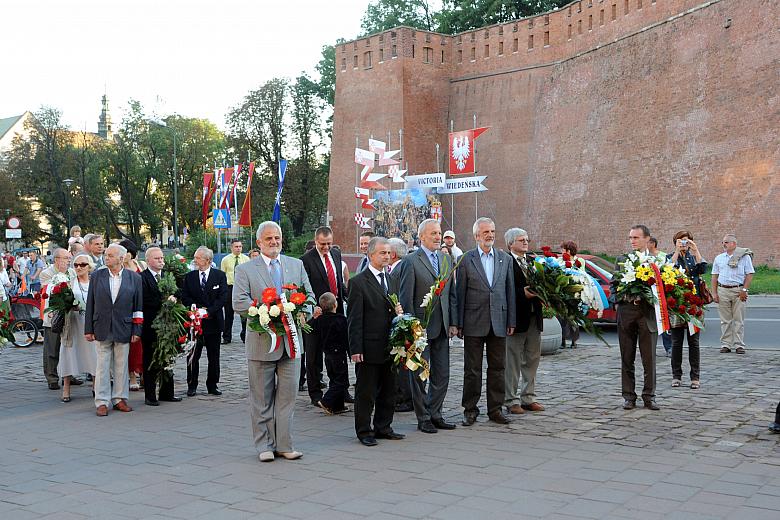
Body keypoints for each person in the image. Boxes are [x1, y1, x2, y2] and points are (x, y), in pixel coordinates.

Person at [233, 221, 315, 462]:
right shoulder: (246, 270)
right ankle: (264, 445)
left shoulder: (296, 265)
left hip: (291, 344)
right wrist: (263, 312)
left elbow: (309, 297)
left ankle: (285, 445)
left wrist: (304, 311)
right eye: (269, 239)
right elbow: (239, 302)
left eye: (277, 238)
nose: (274, 242)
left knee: (288, 397)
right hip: (261, 342)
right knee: (262, 398)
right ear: (259, 243)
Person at [398, 219, 458, 434]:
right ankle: (423, 417)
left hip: (442, 327)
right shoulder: (411, 261)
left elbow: (452, 294)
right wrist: (412, 328)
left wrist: (453, 322)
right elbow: (406, 298)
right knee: (419, 375)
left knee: (442, 374)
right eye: (433, 233)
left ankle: (435, 413)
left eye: (439, 232)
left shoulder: (445, 260)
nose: (437, 236)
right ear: (421, 236)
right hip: (421, 330)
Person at [455, 217, 516, 425]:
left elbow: (510, 292)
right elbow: (459, 293)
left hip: (499, 320)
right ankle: (470, 409)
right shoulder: (466, 259)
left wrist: (511, 320)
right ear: (476, 236)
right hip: (473, 321)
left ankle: (496, 409)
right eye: (485, 232)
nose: (490, 235)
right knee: (472, 369)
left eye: (492, 231)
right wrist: (459, 323)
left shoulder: (505, 259)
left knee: (498, 367)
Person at [347, 236, 406, 446]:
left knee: (389, 390)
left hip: (389, 346)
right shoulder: (358, 282)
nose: (387, 256)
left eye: (389, 253)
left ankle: (383, 426)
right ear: (371, 254)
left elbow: (392, 308)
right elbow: (354, 319)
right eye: (382, 253)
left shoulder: (391, 279)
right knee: (366, 392)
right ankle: (364, 431)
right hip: (368, 346)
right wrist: (355, 349)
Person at [85, 243, 144, 417]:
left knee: (121, 365)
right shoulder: (97, 276)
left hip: (124, 326)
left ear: (121, 258)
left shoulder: (134, 278)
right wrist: (88, 328)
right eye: (106, 254)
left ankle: (119, 399)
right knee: (102, 366)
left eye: (110, 255)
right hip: (102, 326)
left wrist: (137, 330)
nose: (106, 257)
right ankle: (102, 401)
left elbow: (138, 307)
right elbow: (91, 304)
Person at [300, 226, 348, 406]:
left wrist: (348, 295)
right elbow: (303, 287)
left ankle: (341, 390)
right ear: (315, 241)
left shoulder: (335, 254)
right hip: (316, 315)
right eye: (322, 244)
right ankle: (315, 393)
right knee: (313, 356)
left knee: (337, 353)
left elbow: (338, 280)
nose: (326, 247)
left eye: (329, 243)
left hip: (336, 313)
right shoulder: (306, 260)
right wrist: (311, 307)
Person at [613, 225, 659, 411]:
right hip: (627, 312)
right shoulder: (622, 260)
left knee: (649, 358)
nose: (632, 241)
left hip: (647, 313)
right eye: (631, 237)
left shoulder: (656, 260)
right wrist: (619, 299)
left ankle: (649, 396)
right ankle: (628, 396)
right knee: (627, 356)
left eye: (636, 238)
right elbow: (614, 283)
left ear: (647, 239)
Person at [504, 228, 545, 415]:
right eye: (521, 240)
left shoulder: (532, 261)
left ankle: (528, 397)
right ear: (511, 243)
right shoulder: (505, 262)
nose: (526, 242)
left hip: (533, 317)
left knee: (532, 358)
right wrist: (522, 294)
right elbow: (503, 290)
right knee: (512, 360)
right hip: (516, 318)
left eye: (527, 239)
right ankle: (511, 399)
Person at [181, 246, 227, 397]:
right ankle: (192, 384)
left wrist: (208, 311)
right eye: (195, 257)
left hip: (213, 321)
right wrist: (195, 309)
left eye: (198, 257)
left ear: (208, 260)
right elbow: (185, 295)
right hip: (195, 323)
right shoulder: (190, 277)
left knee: (214, 356)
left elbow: (222, 298)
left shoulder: (219, 276)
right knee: (193, 355)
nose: (195, 260)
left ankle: (212, 384)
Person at [140, 247, 182, 406]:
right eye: (157, 258)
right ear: (149, 260)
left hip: (168, 325)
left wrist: (174, 298)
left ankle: (167, 392)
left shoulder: (167, 276)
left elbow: (178, 292)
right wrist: (164, 302)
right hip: (151, 325)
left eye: (162, 258)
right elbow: (144, 299)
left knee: (168, 357)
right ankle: (150, 395)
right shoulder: (142, 278)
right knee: (150, 359)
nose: (161, 261)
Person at [667, 231, 707, 389]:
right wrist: (677, 252)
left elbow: (703, 269)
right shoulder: (671, 256)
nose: (684, 243)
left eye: (686, 240)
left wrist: (696, 250)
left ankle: (695, 377)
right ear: (675, 242)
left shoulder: (693, 257)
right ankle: (676, 376)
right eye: (680, 240)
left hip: (693, 304)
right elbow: (667, 268)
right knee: (676, 342)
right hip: (677, 304)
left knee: (694, 343)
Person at [58, 254, 98, 402]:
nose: (79, 267)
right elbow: (59, 303)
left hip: (91, 324)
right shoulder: (69, 283)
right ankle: (66, 387)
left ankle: (96, 385)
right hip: (73, 323)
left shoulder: (95, 282)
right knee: (69, 353)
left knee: (93, 353)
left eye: (82, 264)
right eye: (76, 265)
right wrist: (67, 305)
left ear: (89, 267)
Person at [40, 248, 77, 390]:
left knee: (68, 347)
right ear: (57, 260)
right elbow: (52, 292)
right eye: (66, 258)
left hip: (69, 316)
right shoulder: (46, 273)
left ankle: (69, 375)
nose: (69, 261)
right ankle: (52, 378)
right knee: (52, 348)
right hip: (53, 316)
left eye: (69, 258)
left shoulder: (72, 272)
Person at [711, 234, 754, 355]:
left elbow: (750, 274)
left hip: (738, 290)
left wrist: (744, 290)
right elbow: (714, 276)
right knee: (725, 320)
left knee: (738, 319)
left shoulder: (744, 257)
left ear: (734, 244)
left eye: (726, 242)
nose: (724, 244)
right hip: (723, 290)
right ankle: (726, 344)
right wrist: (714, 293)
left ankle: (739, 345)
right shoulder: (719, 258)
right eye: (723, 242)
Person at [313, 292, 350, 415]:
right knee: (342, 381)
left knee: (334, 379)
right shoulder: (340, 319)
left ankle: (337, 406)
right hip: (339, 354)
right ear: (335, 304)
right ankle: (326, 401)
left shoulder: (320, 320)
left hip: (327, 354)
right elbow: (346, 337)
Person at [387, 237, 413, 413]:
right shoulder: (396, 269)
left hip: (400, 323)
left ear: (393, 254)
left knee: (402, 362)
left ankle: (404, 397)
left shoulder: (398, 271)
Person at [120, 238, 146, 392]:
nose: (125, 255)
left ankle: (143, 372)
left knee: (143, 342)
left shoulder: (140, 265)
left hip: (142, 307)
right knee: (132, 344)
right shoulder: (119, 268)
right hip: (127, 309)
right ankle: (132, 375)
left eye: (128, 252)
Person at [220, 238, 250, 345]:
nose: (238, 248)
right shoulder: (226, 260)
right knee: (228, 314)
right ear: (231, 247)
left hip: (242, 288)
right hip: (230, 287)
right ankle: (226, 337)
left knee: (244, 313)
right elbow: (222, 276)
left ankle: (245, 336)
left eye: (240, 246)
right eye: (236, 246)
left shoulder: (246, 259)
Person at [648, 237, 672, 356]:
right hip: (649, 292)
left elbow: (668, 271)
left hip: (661, 292)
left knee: (662, 319)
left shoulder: (663, 256)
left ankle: (669, 348)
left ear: (652, 243)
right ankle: (649, 348)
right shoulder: (644, 256)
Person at [558, 241, 581, 349]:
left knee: (572, 317)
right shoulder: (560, 261)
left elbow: (581, 276)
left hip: (574, 293)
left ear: (568, 251)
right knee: (561, 317)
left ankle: (573, 340)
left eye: (563, 250)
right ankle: (562, 340)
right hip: (562, 292)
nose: (561, 252)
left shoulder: (578, 261)